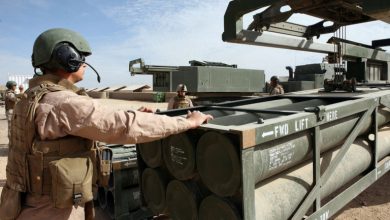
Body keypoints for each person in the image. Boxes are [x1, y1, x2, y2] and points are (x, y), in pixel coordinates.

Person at [0, 28, 213, 220]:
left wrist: (133, 113)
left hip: (24, 203)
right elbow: (120, 126)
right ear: (68, 58)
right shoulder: (62, 102)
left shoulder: (32, 97)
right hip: (51, 212)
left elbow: (88, 122)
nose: (84, 62)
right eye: (80, 57)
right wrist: (186, 122)